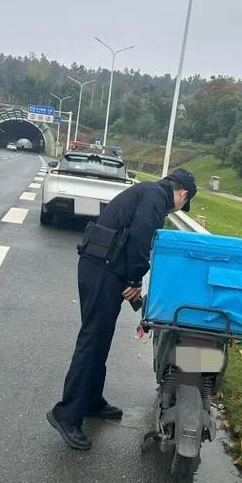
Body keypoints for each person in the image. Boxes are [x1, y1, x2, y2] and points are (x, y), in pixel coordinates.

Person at [47, 168, 198, 450]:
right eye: (183, 203)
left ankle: (91, 400)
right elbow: (141, 236)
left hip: (103, 267)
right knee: (92, 342)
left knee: (100, 339)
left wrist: (130, 279)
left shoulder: (149, 192)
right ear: (182, 194)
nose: (179, 207)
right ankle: (66, 415)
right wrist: (134, 280)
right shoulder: (156, 197)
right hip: (102, 271)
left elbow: (131, 236)